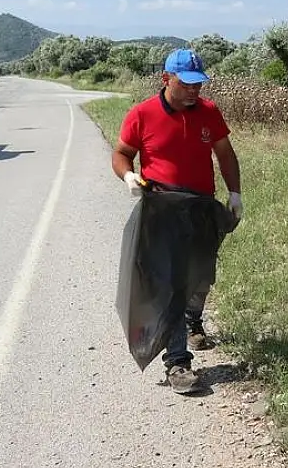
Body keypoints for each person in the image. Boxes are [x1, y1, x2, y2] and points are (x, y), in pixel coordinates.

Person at [111, 48, 243, 394]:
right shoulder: (142, 114)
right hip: (161, 209)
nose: (194, 91)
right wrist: (128, 177)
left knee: (201, 276)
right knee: (171, 285)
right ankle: (178, 363)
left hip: (200, 210)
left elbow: (225, 153)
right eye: (186, 84)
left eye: (198, 84)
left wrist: (235, 194)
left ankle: (192, 319)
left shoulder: (209, 112)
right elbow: (122, 154)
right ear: (166, 79)